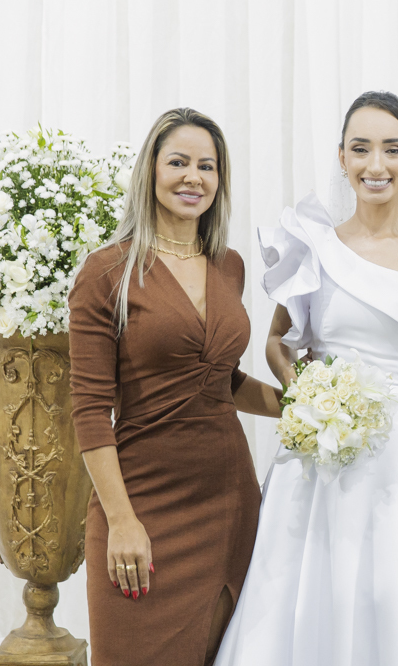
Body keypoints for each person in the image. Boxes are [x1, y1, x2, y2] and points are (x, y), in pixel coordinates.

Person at [213, 91, 398, 666]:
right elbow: (278, 340)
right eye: (361, 150)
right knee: (316, 584)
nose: (376, 165)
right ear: (342, 159)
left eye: (392, 150)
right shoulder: (312, 246)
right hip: (322, 451)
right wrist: (307, 393)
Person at [68, 107, 283, 666]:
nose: (194, 177)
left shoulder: (229, 265)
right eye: (179, 162)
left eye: (207, 166)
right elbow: (90, 411)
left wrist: (300, 406)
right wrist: (121, 520)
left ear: (220, 180)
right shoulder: (106, 272)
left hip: (230, 499)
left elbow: (221, 380)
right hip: (141, 502)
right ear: (151, 171)